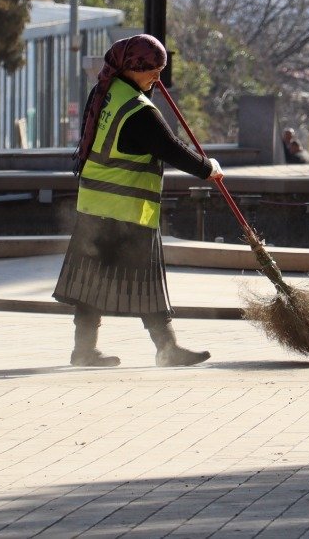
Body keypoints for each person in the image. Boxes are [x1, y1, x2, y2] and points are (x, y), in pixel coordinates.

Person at [53, 33, 221, 367]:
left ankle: (84, 350)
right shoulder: (140, 111)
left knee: (91, 282)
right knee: (147, 284)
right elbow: (171, 148)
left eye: (160, 70)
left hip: (95, 206)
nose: (157, 78)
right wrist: (208, 169)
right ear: (131, 67)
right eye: (152, 71)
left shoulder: (106, 92)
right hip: (124, 210)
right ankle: (167, 349)